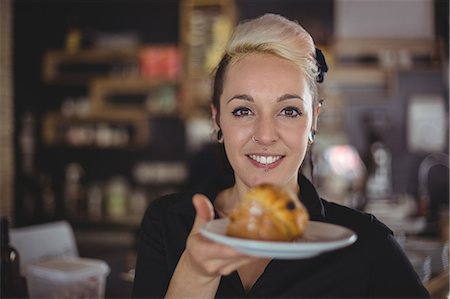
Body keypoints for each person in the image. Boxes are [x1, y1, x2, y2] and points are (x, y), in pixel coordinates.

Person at [132, 14, 430, 298]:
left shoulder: (367, 243)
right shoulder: (168, 223)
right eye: (243, 110)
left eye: (288, 111)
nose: (265, 135)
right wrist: (197, 271)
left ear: (313, 120)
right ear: (217, 120)